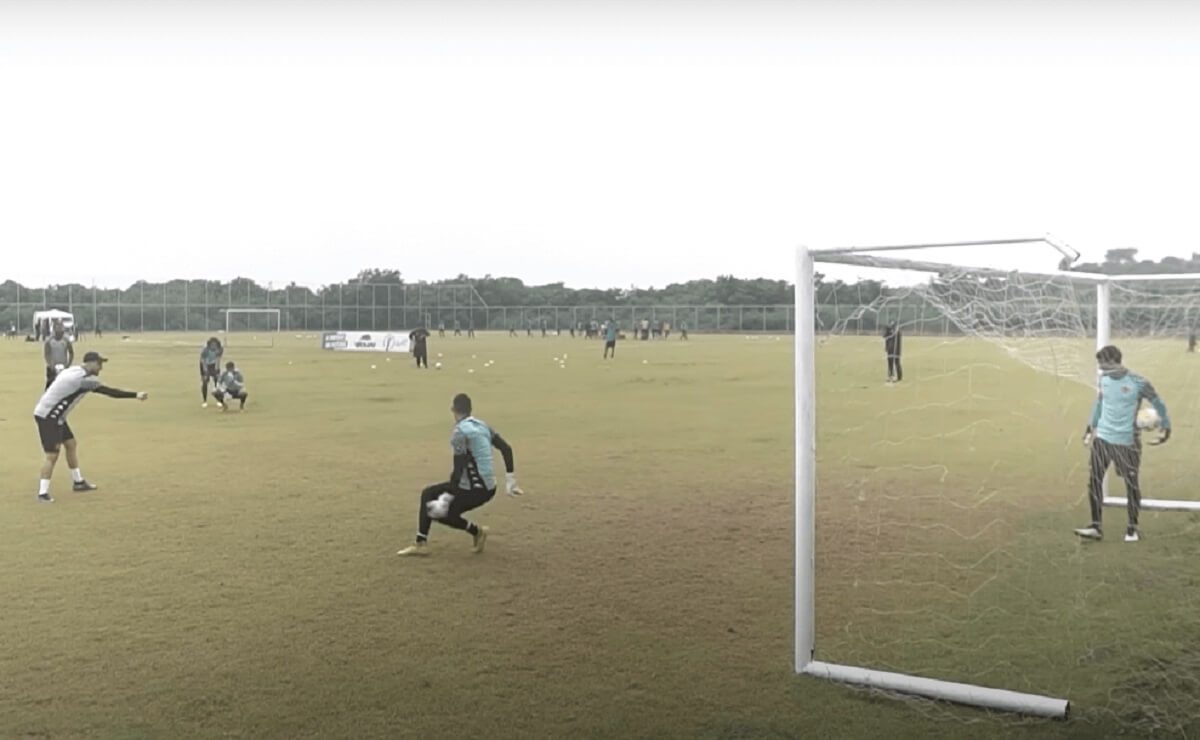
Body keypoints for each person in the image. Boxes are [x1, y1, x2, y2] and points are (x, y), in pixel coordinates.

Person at [397, 393, 524, 557]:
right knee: (437, 509)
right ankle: (477, 532)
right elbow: (506, 449)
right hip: (489, 488)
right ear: (470, 410)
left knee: (431, 500)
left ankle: (422, 543)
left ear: (453, 410)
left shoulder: (460, 432)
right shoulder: (483, 425)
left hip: (474, 489)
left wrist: (446, 496)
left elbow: (459, 470)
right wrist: (510, 481)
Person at [1077, 345, 1171, 543]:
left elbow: (1158, 402)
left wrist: (1166, 425)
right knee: (1094, 480)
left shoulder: (1138, 382)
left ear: (1114, 361)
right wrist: (1090, 427)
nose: (1100, 368)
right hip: (1102, 440)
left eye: (1103, 363)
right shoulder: (1104, 380)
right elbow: (1100, 404)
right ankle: (1095, 526)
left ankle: (1132, 529)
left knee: (1131, 484)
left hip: (1127, 444)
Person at [33, 351, 148, 502]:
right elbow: (110, 392)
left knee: (71, 444)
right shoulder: (83, 379)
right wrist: (136, 395)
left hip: (55, 415)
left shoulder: (73, 370)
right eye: (99, 364)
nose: (101, 368)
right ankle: (42, 493)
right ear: (90, 363)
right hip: (48, 417)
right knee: (52, 455)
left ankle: (78, 482)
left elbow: (52, 380)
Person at [43, 322, 74, 390]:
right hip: (52, 368)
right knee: (50, 387)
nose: (60, 330)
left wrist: (68, 364)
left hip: (64, 367)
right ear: (54, 329)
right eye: (58, 328)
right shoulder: (49, 340)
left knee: (64, 387)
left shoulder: (66, 340)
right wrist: (50, 364)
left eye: (61, 328)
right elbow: (46, 354)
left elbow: (71, 352)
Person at [199, 337, 224, 408]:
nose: (213, 347)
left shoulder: (220, 349)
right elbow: (203, 360)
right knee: (205, 381)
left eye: (215, 345)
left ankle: (219, 400)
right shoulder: (205, 350)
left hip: (213, 365)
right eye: (212, 345)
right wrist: (205, 371)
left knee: (217, 381)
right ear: (209, 345)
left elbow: (218, 359)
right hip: (205, 364)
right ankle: (204, 401)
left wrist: (217, 370)